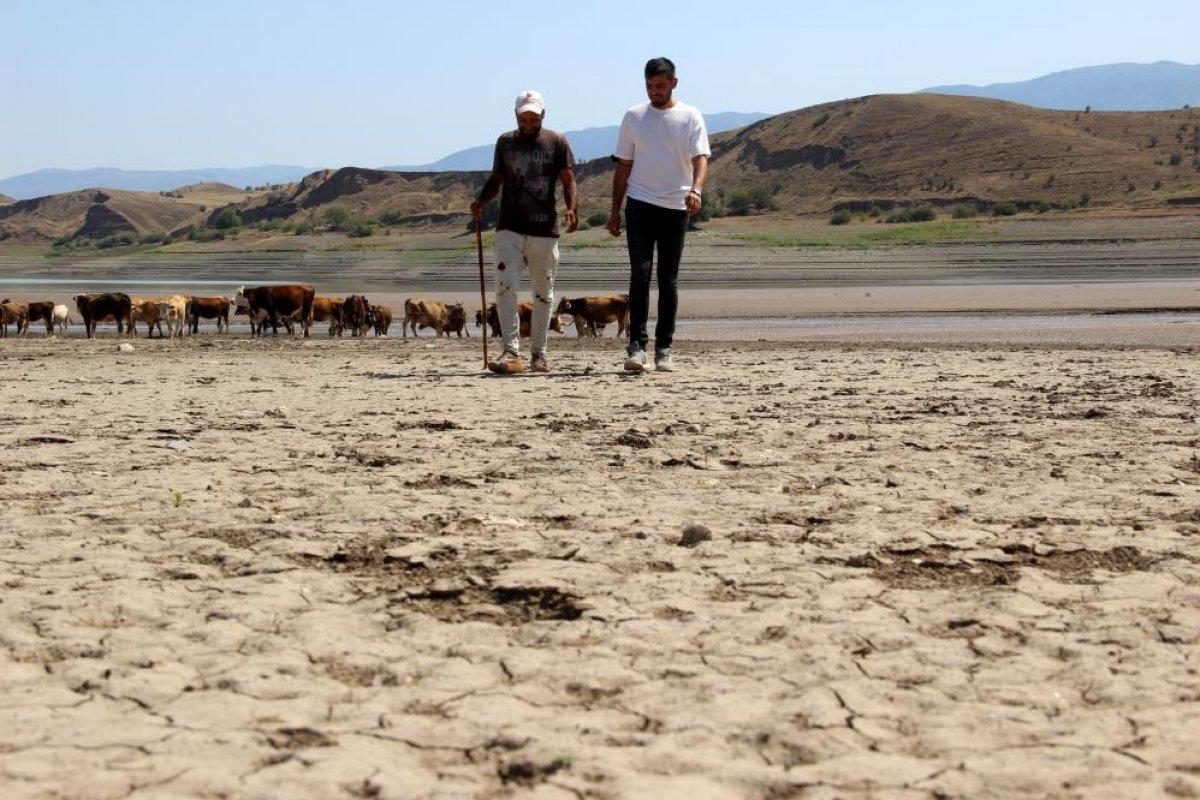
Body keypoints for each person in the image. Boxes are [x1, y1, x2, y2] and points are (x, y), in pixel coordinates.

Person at [607, 57, 710, 373]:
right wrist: (614, 212)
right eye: (650, 86)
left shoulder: (690, 116)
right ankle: (637, 346)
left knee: (668, 278)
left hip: (675, 206)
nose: (655, 91)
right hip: (639, 204)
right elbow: (623, 166)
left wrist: (696, 190)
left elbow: (701, 157)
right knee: (640, 272)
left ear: (674, 83)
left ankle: (664, 347)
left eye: (660, 86)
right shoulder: (634, 116)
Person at [471, 90, 578, 374]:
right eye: (523, 116)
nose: (528, 121)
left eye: (533, 116)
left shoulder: (557, 141)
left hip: (544, 228)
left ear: (543, 114)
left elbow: (568, 179)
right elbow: (497, 178)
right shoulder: (505, 142)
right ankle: (511, 351)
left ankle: (539, 354)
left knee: (544, 293)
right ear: (516, 114)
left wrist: (571, 208)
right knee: (505, 287)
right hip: (510, 227)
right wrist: (481, 201)